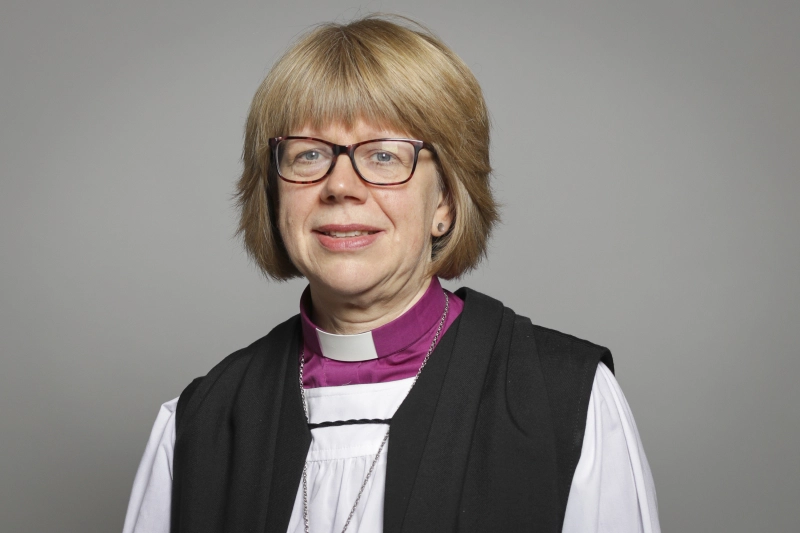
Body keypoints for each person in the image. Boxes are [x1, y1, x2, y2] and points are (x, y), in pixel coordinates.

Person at [122, 15, 660, 533]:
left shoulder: (565, 400)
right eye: (309, 154)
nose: (340, 186)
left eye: (383, 156)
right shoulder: (199, 423)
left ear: (445, 200)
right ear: (274, 191)